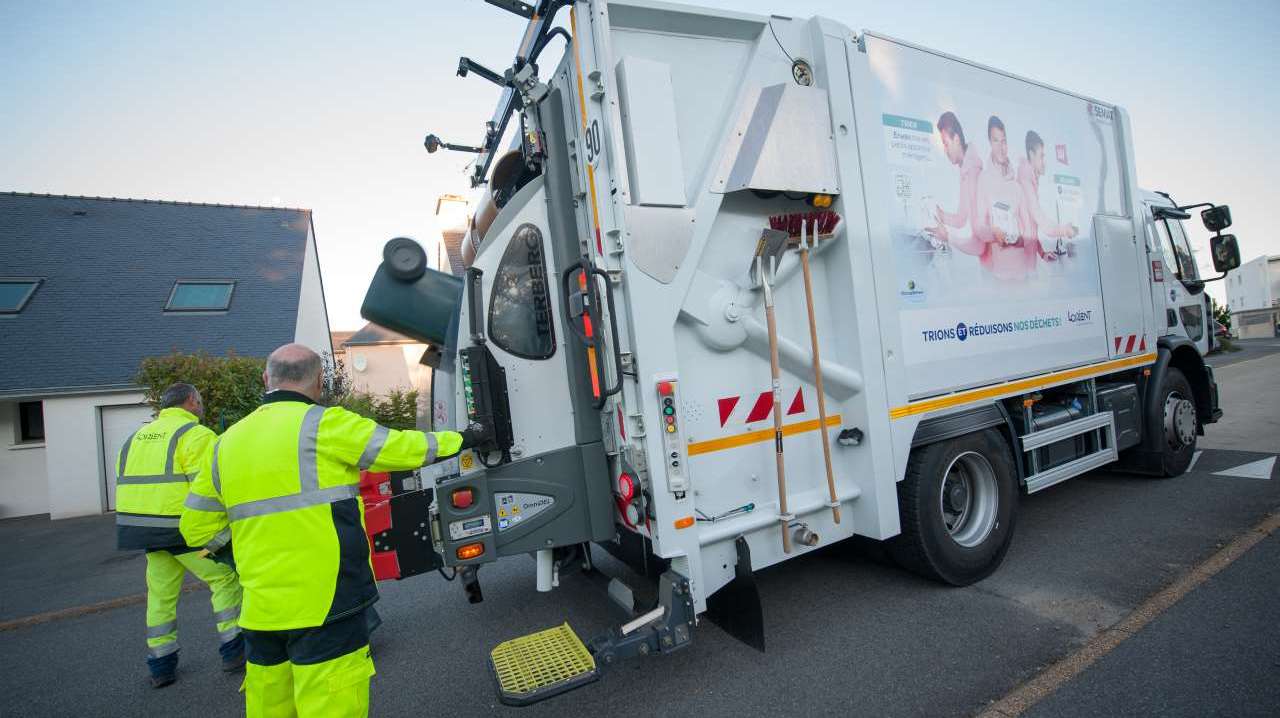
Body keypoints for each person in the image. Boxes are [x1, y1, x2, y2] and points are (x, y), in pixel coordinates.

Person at [180, 343, 490, 717]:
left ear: (266, 379)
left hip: (261, 612)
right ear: (319, 382)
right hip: (327, 604)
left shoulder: (224, 444)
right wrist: (465, 438)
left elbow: (194, 526)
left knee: (270, 708)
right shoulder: (326, 425)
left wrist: (235, 558)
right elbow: (403, 448)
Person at [115, 382, 244, 688]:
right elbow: (210, 490)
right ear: (190, 401)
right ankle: (235, 650)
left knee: (160, 595)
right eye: (200, 401)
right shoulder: (195, 435)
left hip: (144, 534)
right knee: (223, 577)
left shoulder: (135, 437)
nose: (201, 407)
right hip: (185, 535)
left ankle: (161, 664)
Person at [927, 111, 986, 257]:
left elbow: (979, 246)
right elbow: (961, 219)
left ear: (957, 139)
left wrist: (947, 237)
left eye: (946, 144)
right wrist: (940, 215)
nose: (945, 151)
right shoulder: (966, 168)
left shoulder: (972, 174)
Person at [1017, 130, 1079, 265]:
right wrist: (1065, 230)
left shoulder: (1028, 180)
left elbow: (1029, 230)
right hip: (1022, 266)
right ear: (1031, 154)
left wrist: (1042, 253)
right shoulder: (1026, 183)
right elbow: (1042, 221)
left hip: (1027, 262)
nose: (1044, 162)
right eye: (1042, 156)